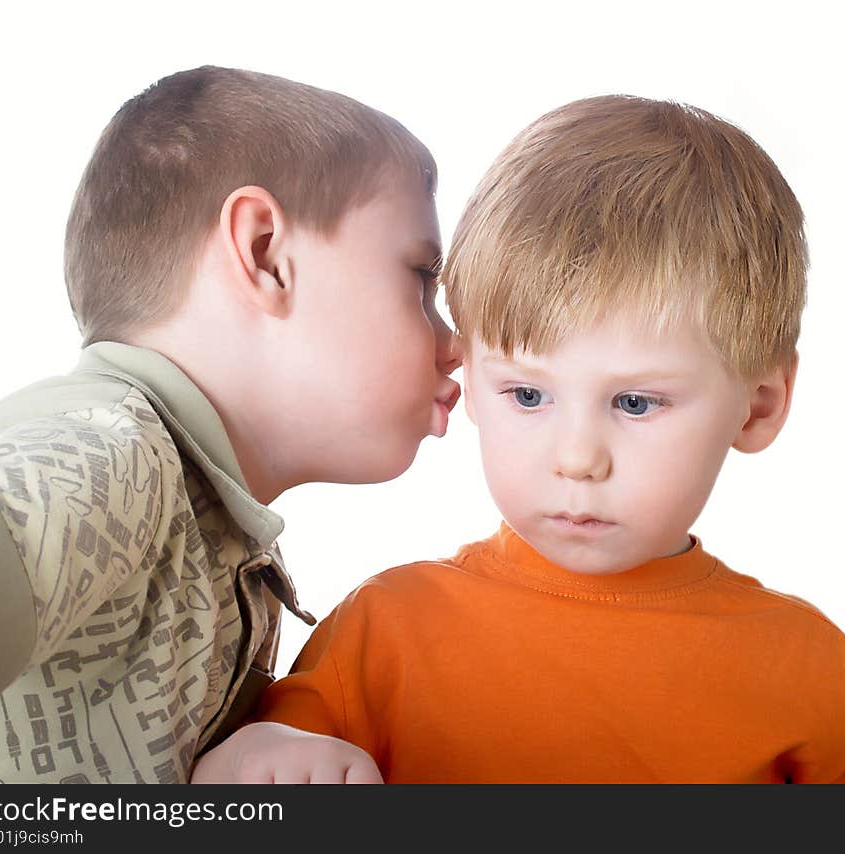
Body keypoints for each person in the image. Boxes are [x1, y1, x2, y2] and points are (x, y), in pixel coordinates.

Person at [211, 95, 845, 783]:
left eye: (635, 402)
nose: (577, 459)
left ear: (759, 406)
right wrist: (256, 756)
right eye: (529, 394)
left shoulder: (814, 676)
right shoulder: (383, 635)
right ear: (473, 379)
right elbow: (248, 784)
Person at [0, 65, 461, 783]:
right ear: (265, 253)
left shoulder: (217, 538)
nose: (455, 344)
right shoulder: (115, 453)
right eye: (421, 279)